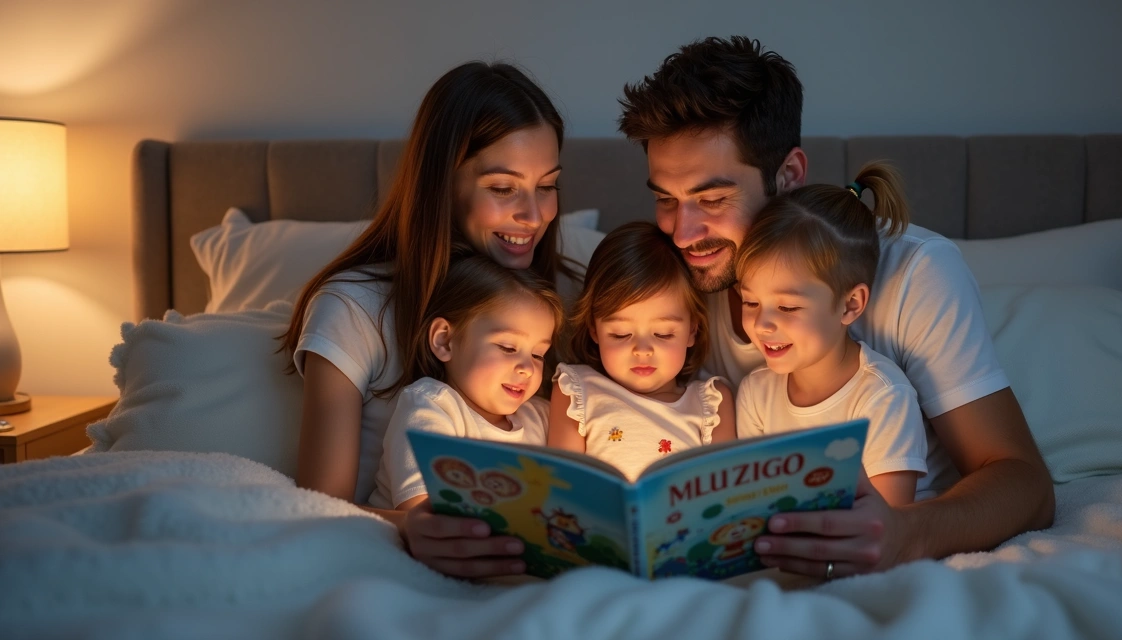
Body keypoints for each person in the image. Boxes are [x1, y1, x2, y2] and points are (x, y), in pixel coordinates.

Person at [618, 36, 1054, 581]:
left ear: (789, 174)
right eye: (665, 198)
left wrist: (905, 533)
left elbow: (1026, 483)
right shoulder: (669, 287)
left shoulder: (914, 272)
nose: (683, 233)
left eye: (711, 200)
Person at [281, 61, 567, 578]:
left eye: (547, 185)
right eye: (504, 188)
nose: (534, 215)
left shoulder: (561, 297)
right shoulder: (355, 306)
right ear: (444, 184)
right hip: (390, 565)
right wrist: (406, 527)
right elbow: (318, 507)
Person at [735, 165, 939, 508]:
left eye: (786, 307)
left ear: (850, 304)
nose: (762, 324)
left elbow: (887, 528)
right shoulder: (756, 394)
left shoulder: (883, 397)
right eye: (751, 301)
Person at [369, 255, 562, 576]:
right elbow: (429, 517)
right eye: (507, 347)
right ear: (445, 340)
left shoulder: (541, 416)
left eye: (539, 354)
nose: (527, 368)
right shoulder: (431, 404)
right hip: (435, 559)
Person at [549, 221, 736, 479]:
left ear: (692, 330)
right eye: (621, 334)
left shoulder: (712, 404)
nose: (643, 350)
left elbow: (722, 491)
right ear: (595, 329)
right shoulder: (575, 390)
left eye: (663, 334)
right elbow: (563, 484)